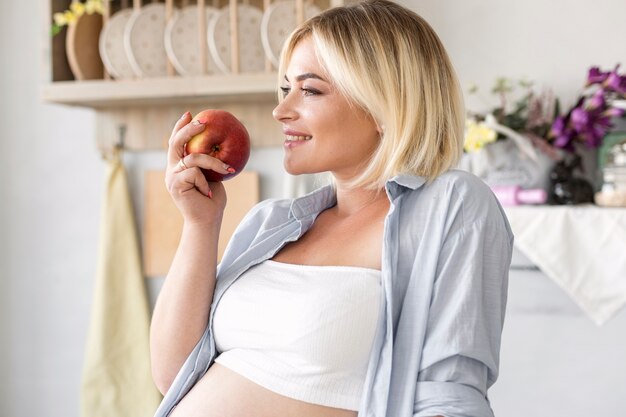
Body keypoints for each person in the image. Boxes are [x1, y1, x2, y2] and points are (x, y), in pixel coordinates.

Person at [150, 1, 513, 416]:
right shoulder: (269, 223)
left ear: (383, 104)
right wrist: (200, 224)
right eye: (286, 88)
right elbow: (172, 375)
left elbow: (451, 397)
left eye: (311, 90)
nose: (281, 110)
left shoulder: (451, 205)